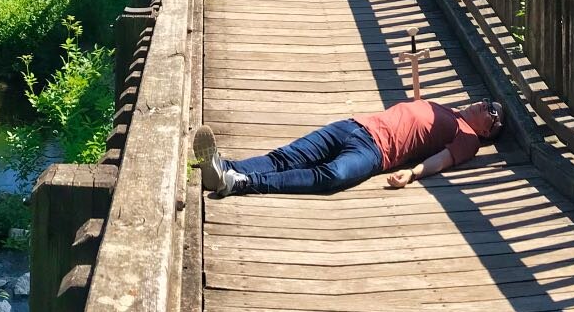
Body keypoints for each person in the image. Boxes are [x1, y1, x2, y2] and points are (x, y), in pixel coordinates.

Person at [193, 32, 502, 197]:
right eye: (487, 101)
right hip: (356, 125)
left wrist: (412, 174)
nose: (484, 105)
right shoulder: (448, 111)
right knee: (286, 156)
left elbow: (443, 159)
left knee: (331, 177)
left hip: (376, 151)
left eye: (491, 112)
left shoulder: (468, 138)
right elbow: (417, 112)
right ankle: (220, 167)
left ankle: (242, 182)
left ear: (488, 130)